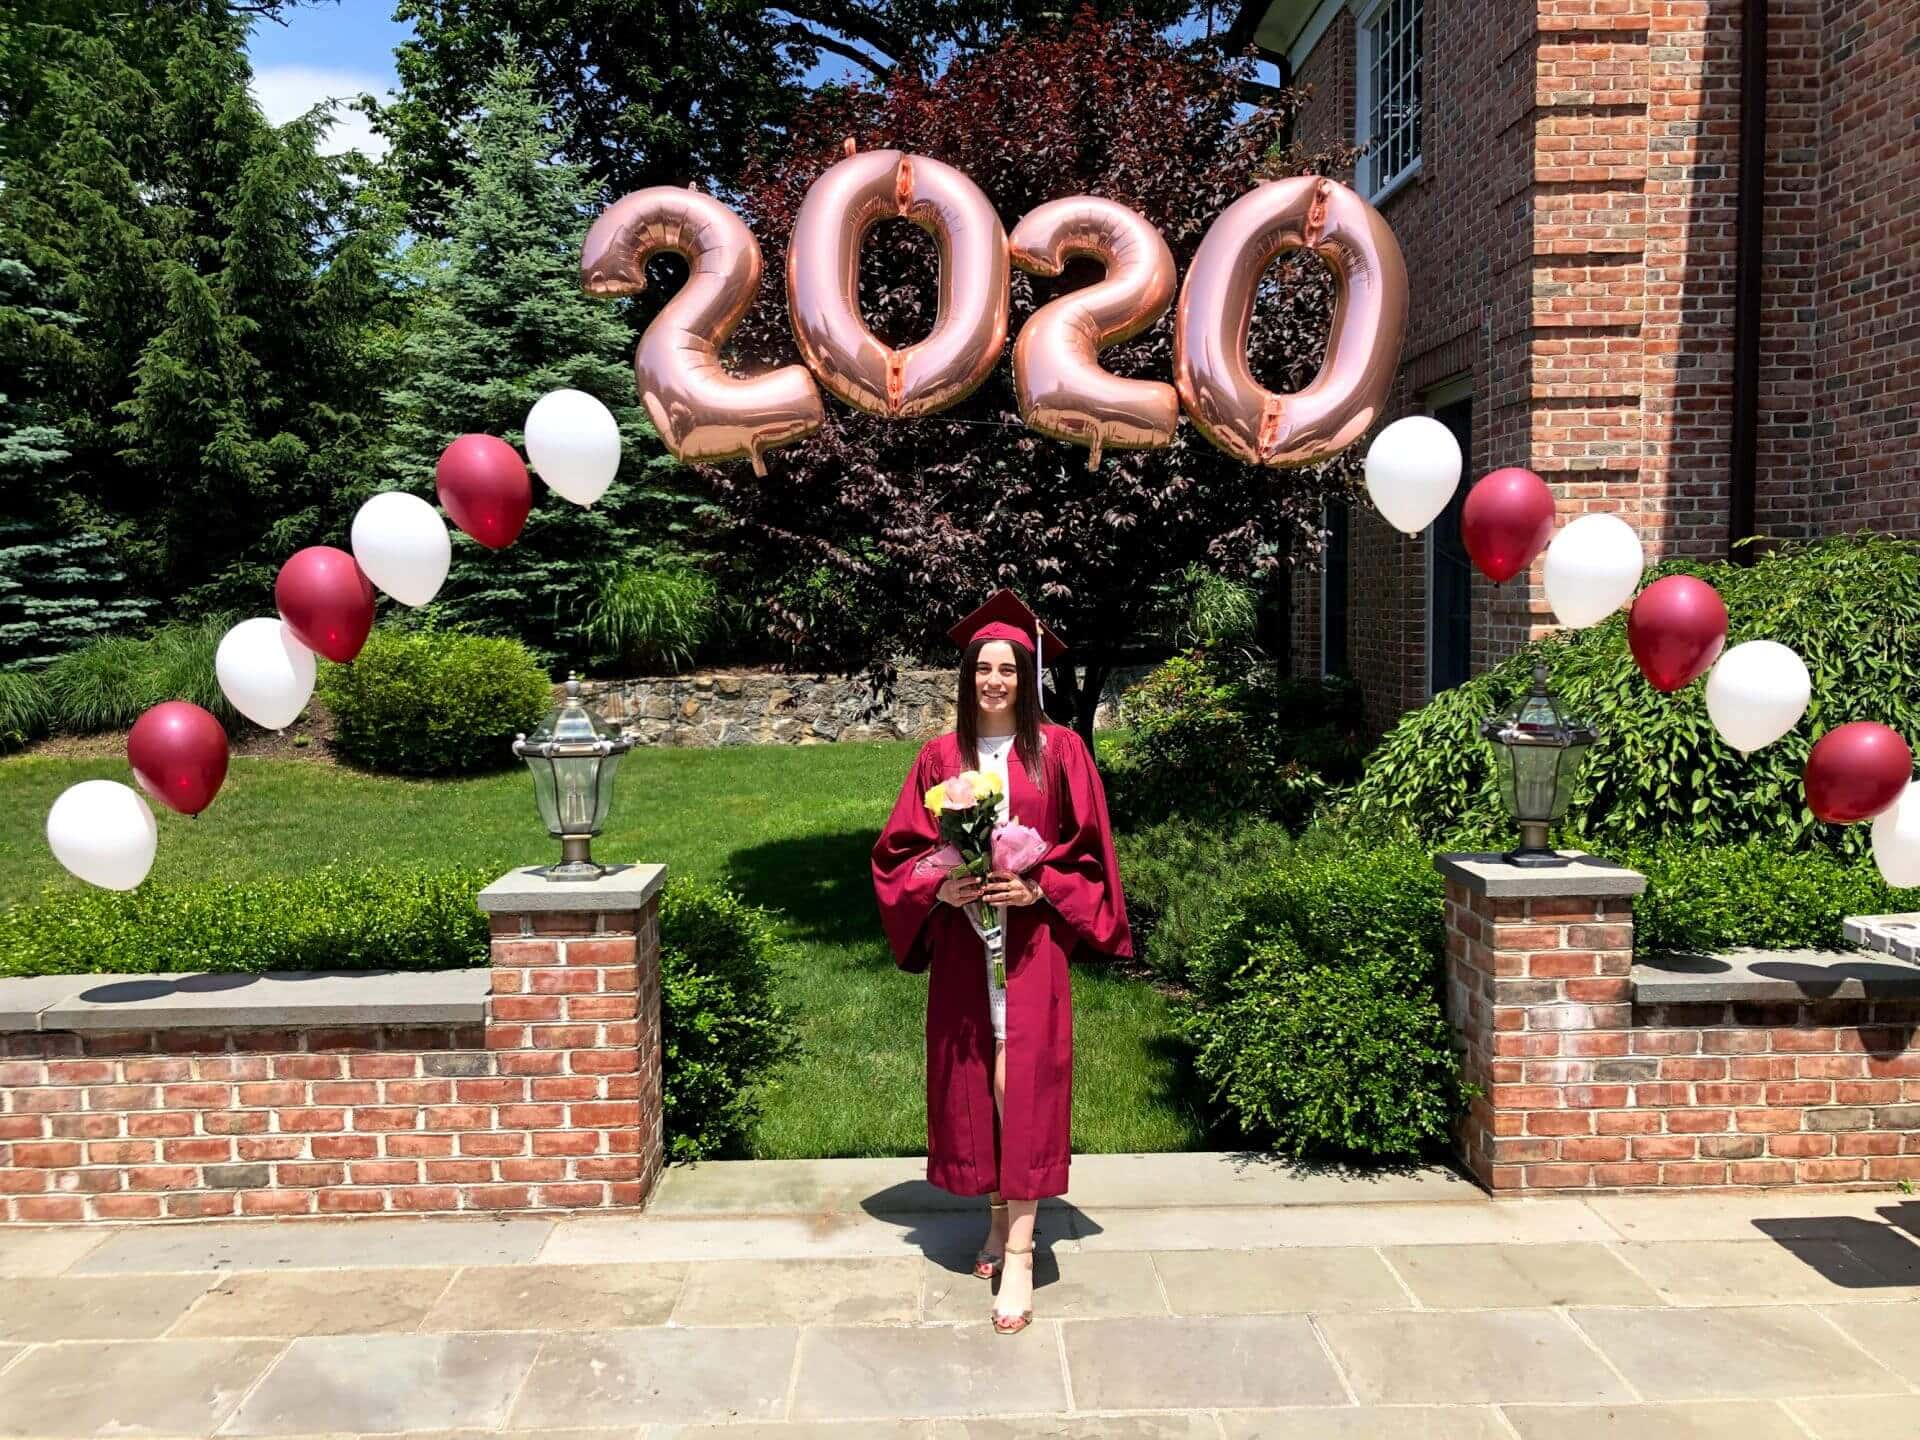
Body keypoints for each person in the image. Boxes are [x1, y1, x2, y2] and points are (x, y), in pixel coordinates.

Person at [870, 589, 1131, 1335]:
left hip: (1030, 943)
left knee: (1023, 1076)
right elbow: (899, 852)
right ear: (966, 676)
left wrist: (1037, 884)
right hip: (964, 943)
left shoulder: (1059, 751)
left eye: (1008, 668)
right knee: (977, 1077)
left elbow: (1090, 853)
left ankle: (1019, 1245)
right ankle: (993, 1215)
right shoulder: (938, 757)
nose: (994, 680)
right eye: (983, 667)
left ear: (1027, 674)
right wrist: (941, 885)